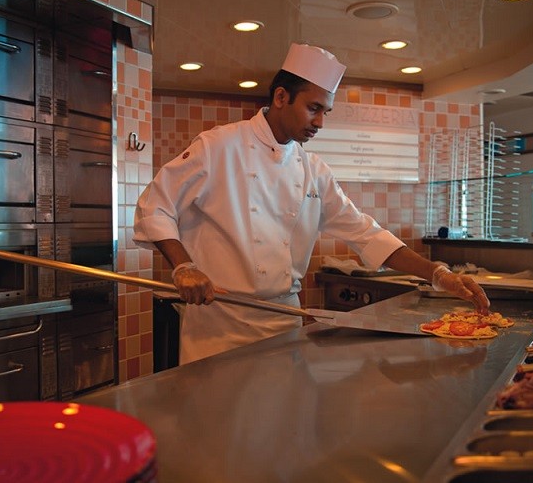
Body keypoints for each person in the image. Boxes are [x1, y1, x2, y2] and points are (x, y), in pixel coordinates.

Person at [134, 43, 491, 364]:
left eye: (326, 112)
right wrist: (184, 267)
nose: (319, 122)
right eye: (313, 108)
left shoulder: (313, 170)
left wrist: (439, 275)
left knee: (282, 416)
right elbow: (156, 205)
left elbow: (365, 233)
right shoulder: (218, 146)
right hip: (221, 325)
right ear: (280, 97)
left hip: (284, 322)